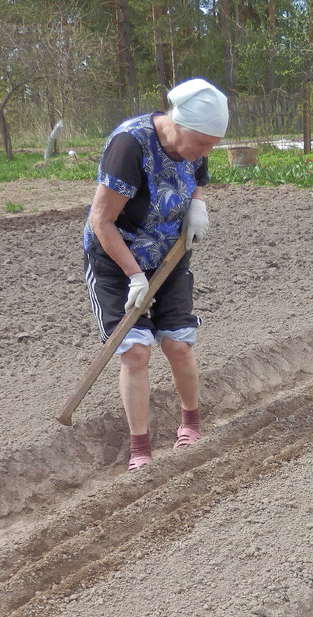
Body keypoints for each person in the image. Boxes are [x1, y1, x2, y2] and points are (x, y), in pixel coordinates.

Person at [82, 77, 228, 471]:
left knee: (178, 344)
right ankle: (141, 450)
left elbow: (196, 182)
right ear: (177, 123)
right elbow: (102, 220)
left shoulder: (196, 144)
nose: (204, 153)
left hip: (169, 253)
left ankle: (191, 426)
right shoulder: (130, 145)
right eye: (201, 143)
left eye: (210, 147)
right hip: (117, 258)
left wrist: (198, 205)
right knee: (135, 350)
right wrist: (134, 275)